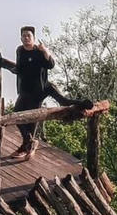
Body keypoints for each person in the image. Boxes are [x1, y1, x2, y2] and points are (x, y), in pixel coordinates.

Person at [7, 26, 88, 161]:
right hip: (25, 90)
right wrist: (14, 70)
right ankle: (27, 143)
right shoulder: (20, 50)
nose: (26, 38)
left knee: (60, 103)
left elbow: (50, 65)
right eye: (24, 36)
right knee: (17, 114)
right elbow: (20, 67)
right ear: (21, 38)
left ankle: (84, 103)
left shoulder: (38, 51)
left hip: (40, 89)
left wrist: (45, 51)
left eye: (29, 36)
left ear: (33, 38)